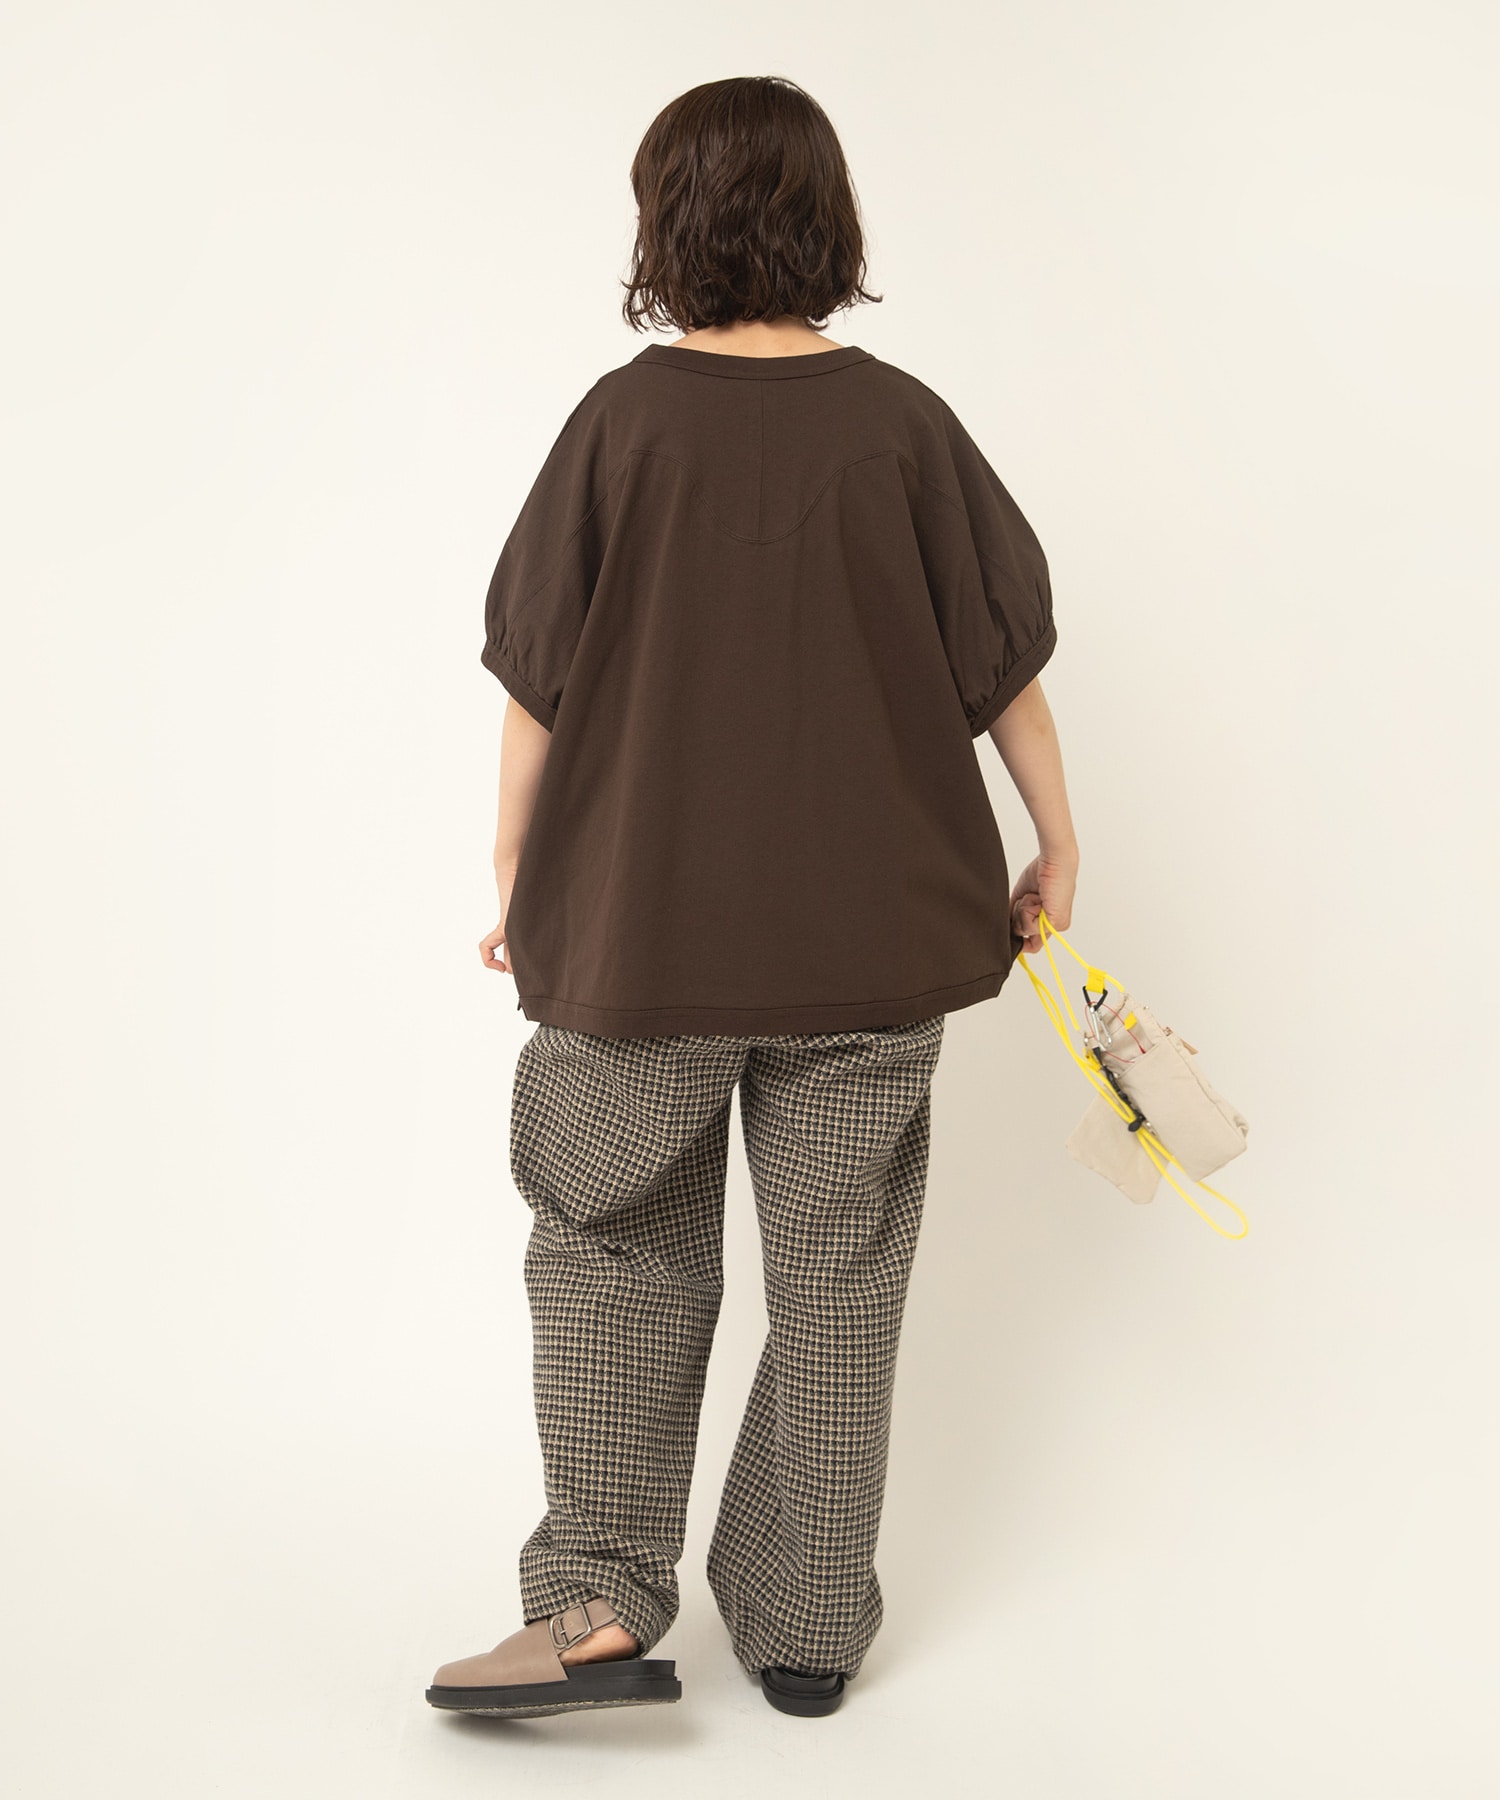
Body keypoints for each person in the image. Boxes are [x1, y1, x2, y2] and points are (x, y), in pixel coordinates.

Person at [425, 74, 1078, 1724]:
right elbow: (1004, 665)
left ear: (667, 226)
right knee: (841, 1278)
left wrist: (519, 871)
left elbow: (536, 679)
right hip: (877, 940)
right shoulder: (904, 425)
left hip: (640, 935)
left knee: (610, 1251)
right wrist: (1057, 840)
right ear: (830, 225)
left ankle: (595, 1608)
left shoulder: (621, 424)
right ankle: (806, 1628)